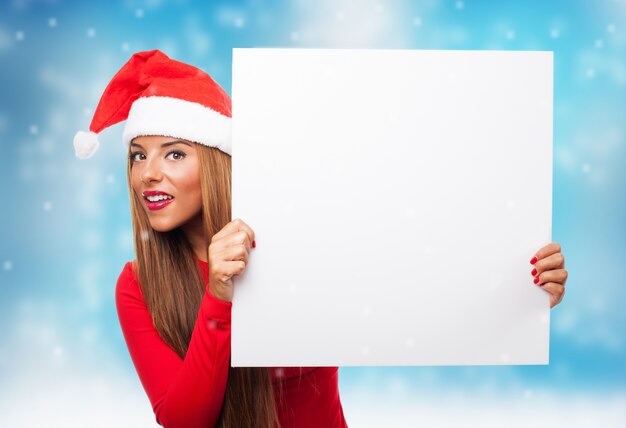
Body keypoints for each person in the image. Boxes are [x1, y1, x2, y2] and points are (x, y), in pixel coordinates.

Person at [73, 50, 568, 428]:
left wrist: (512, 300)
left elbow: (411, 292)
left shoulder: (302, 239)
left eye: (174, 154)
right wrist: (219, 296)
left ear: (218, 161)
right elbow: (184, 419)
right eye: (138, 155)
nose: (148, 175)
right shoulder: (138, 285)